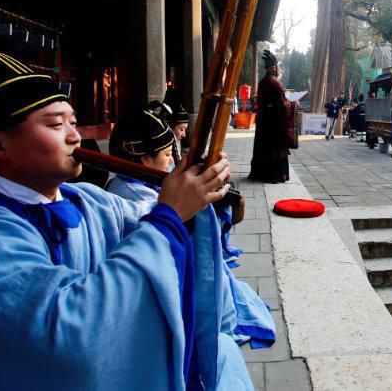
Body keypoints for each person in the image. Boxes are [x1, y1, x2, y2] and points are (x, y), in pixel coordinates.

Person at [0, 22, 253, 389]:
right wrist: (168, 220)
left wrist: (197, 201)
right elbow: (71, 343)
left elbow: (156, 229)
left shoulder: (89, 201)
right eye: (56, 124)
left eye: (73, 122)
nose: (76, 136)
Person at [106, 109, 276, 349]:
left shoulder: (136, 183)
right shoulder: (129, 199)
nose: (172, 162)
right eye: (167, 155)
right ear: (145, 160)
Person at [249, 50, 292, 183]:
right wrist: (293, 104)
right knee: (275, 148)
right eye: (277, 66)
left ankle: (262, 173)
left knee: (264, 147)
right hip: (275, 124)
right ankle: (276, 175)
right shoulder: (276, 83)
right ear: (273, 67)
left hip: (264, 122)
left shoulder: (262, 82)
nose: (278, 69)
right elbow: (282, 105)